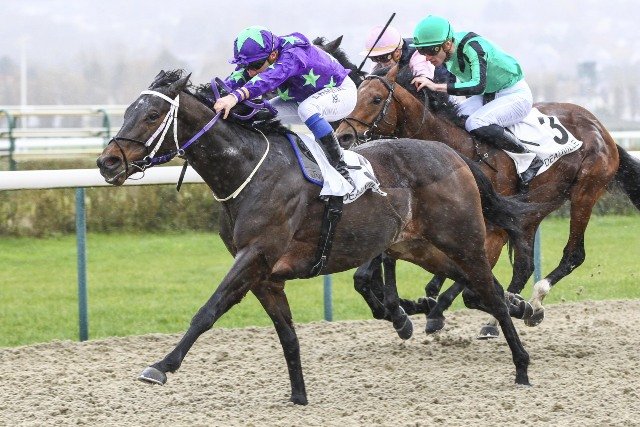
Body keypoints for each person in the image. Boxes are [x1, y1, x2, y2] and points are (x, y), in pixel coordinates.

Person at [214, 25, 357, 188]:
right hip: (303, 99)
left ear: (273, 55)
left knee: (307, 109)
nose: (251, 72)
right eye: (247, 66)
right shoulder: (263, 57)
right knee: (263, 113)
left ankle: (341, 169)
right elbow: (236, 78)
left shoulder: (293, 54)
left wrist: (235, 97)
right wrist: (214, 95)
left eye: (255, 65)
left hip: (341, 93)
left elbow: (269, 78)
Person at [410, 15, 543, 188]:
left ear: (447, 44)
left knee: (475, 122)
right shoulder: (445, 52)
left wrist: (435, 86)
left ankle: (529, 158)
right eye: (422, 51)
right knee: (452, 119)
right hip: (488, 96)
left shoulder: (473, 48)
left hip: (514, 95)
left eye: (430, 51)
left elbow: (477, 86)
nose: (427, 57)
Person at [360, 25, 436, 79]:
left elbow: (424, 81)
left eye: (383, 58)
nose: (381, 63)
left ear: (397, 52)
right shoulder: (380, 58)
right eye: (374, 58)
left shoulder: (417, 55)